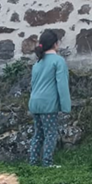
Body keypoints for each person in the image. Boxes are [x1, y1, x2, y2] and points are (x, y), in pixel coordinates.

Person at [28, 30, 70, 168]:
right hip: (48, 104)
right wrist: (66, 106)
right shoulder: (58, 61)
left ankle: (33, 162)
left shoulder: (37, 63)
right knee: (50, 134)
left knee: (38, 134)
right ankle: (47, 163)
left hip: (35, 103)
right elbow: (62, 84)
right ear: (55, 44)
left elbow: (33, 84)